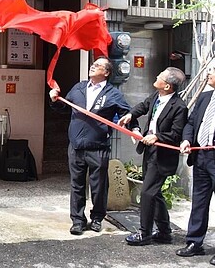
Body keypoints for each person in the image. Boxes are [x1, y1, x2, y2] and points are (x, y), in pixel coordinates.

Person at [49, 56, 130, 236]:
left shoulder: (113, 93)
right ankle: (77, 220)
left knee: (99, 186)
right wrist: (55, 100)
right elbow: (63, 109)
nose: (93, 66)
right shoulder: (79, 88)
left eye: (98, 65)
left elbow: (126, 113)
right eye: (93, 65)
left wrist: (133, 126)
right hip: (76, 146)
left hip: (98, 147)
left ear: (107, 72)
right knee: (76, 185)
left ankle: (97, 218)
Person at [117, 67, 188, 246]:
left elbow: (176, 133)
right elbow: (143, 106)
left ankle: (144, 233)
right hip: (149, 152)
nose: (156, 76)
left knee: (148, 193)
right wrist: (130, 115)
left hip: (163, 156)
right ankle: (164, 232)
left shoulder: (179, 107)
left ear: (167, 86)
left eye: (160, 76)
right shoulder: (156, 97)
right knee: (155, 194)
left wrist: (157, 136)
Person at [176, 67, 215, 263]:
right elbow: (191, 123)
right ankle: (194, 242)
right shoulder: (205, 97)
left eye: (213, 71)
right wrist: (187, 140)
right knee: (199, 201)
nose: (209, 74)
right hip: (201, 157)